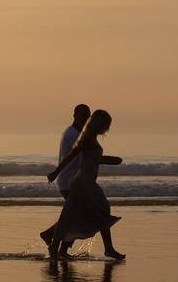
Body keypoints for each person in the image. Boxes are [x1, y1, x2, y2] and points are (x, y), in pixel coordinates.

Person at [46, 109, 125, 260]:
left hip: (85, 182)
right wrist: (55, 173)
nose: (107, 128)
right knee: (101, 209)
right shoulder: (86, 139)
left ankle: (55, 246)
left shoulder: (92, 139)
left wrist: (111, 161)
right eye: (106, 125)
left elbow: (92, 159)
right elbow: (71, 156)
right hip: (83, 183)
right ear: (99, 124)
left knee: (71, 215)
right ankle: (108, 249)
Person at [40, 104, 91, 251]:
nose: (86, 119)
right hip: (69, 182)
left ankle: (61, 247)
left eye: (88, 116)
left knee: (76, 216)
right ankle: (50, 235)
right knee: (76, 216)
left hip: (72, 181)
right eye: (83, 116)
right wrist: (55, 173)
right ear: (75, 116)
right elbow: (73, 157)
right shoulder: (73, 135)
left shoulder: (77, 132)